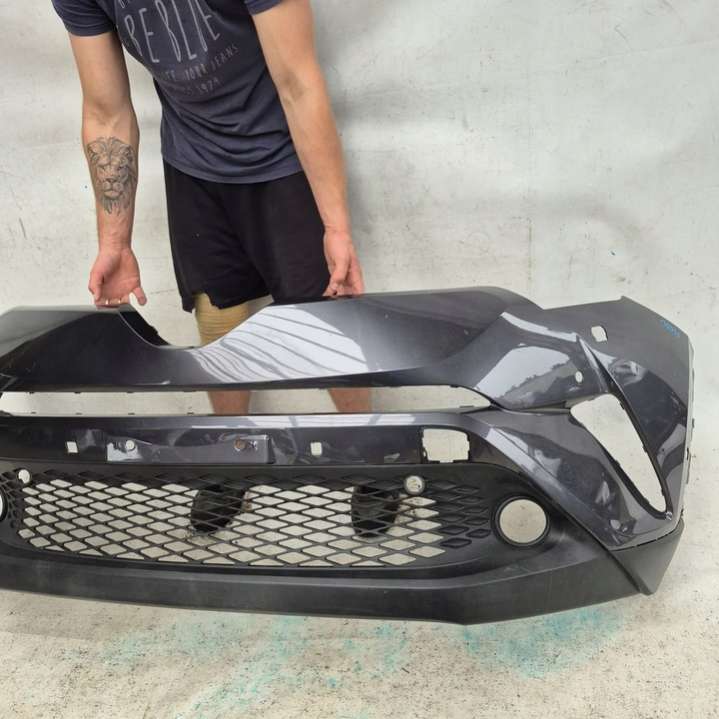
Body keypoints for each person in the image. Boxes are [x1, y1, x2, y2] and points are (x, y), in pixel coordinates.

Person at [51, 0, 369, 414]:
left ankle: (373, 446)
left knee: (325, 323)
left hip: (281, 154)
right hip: (193, 159)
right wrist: (115, 243)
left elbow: (298, 83)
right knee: (218, 316)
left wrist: (336, 227)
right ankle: (231, 448)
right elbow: (105, 113)